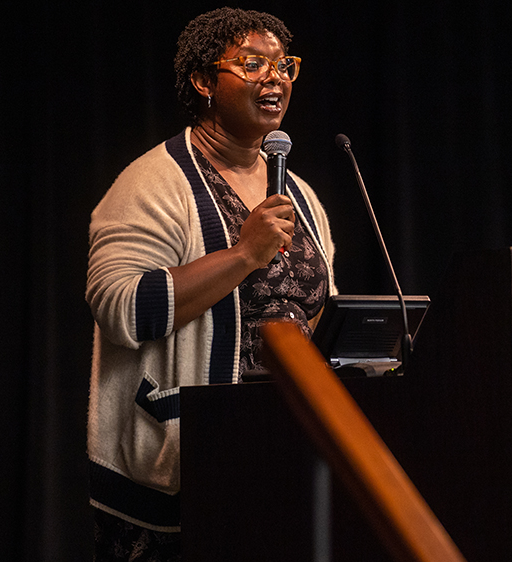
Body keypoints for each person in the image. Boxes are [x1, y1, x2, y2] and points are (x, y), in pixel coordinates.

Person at [85, 8, 336, 560]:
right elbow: (123, 310)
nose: (275, 79)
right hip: (178, 472)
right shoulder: (152, 183)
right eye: (252, 64)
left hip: (281, 460)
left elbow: (314, 310)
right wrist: (243, 254)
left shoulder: (302, 196)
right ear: (204, 82)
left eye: (283, 66)